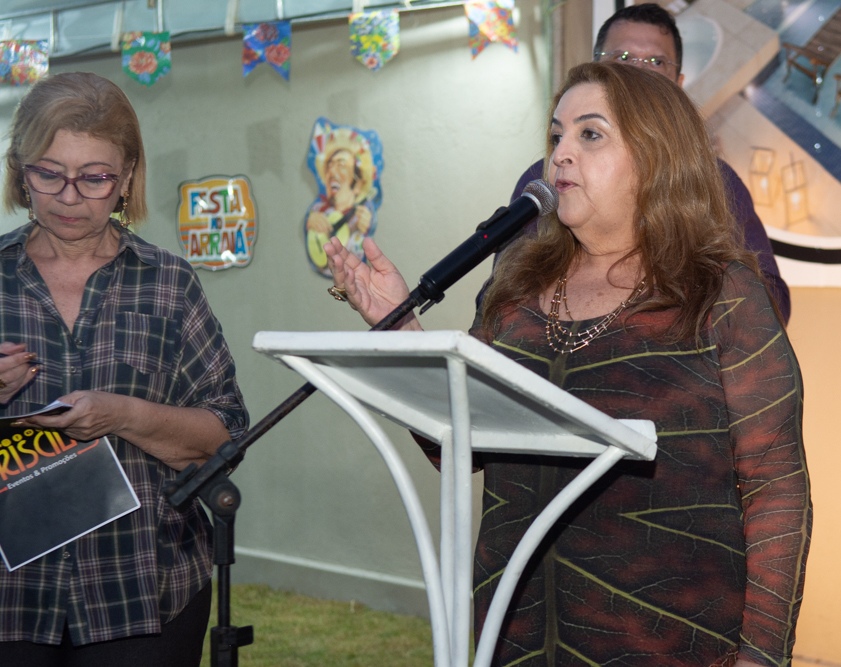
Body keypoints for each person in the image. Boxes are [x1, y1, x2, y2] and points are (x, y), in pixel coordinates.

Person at [326, 62, 810, 667]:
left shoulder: (722, 292)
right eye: (556, 135)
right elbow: (457, 445)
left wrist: (762, 657)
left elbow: (775, 487)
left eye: (590, 134)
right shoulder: (516, 288)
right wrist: (400, 329)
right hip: (515, 638)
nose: (560, 154)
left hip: (665, 642)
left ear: (656, 156)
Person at [0, 72, 248, 666]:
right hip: (11, 597)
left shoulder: (168, 283)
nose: (68, 197)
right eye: (49, 173)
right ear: (19, 170)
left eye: (94, 178)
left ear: (128, 178)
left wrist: (124, 415)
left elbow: (225, 436)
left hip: (143, 589)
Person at [491, 3, 792, 322]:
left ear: (678, 83)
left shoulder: (717, 181)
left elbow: (769, 308)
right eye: (621, 58)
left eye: (656, 62)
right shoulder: (547, 178)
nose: (635, 72)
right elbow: (498, 302)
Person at [305, 124, 379, 275]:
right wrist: (310, 223)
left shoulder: (362, 216)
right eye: (330, 165)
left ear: (358, 183)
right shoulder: (318, 209)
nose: (332, 171)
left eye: (341, 165)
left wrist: (365, 231)